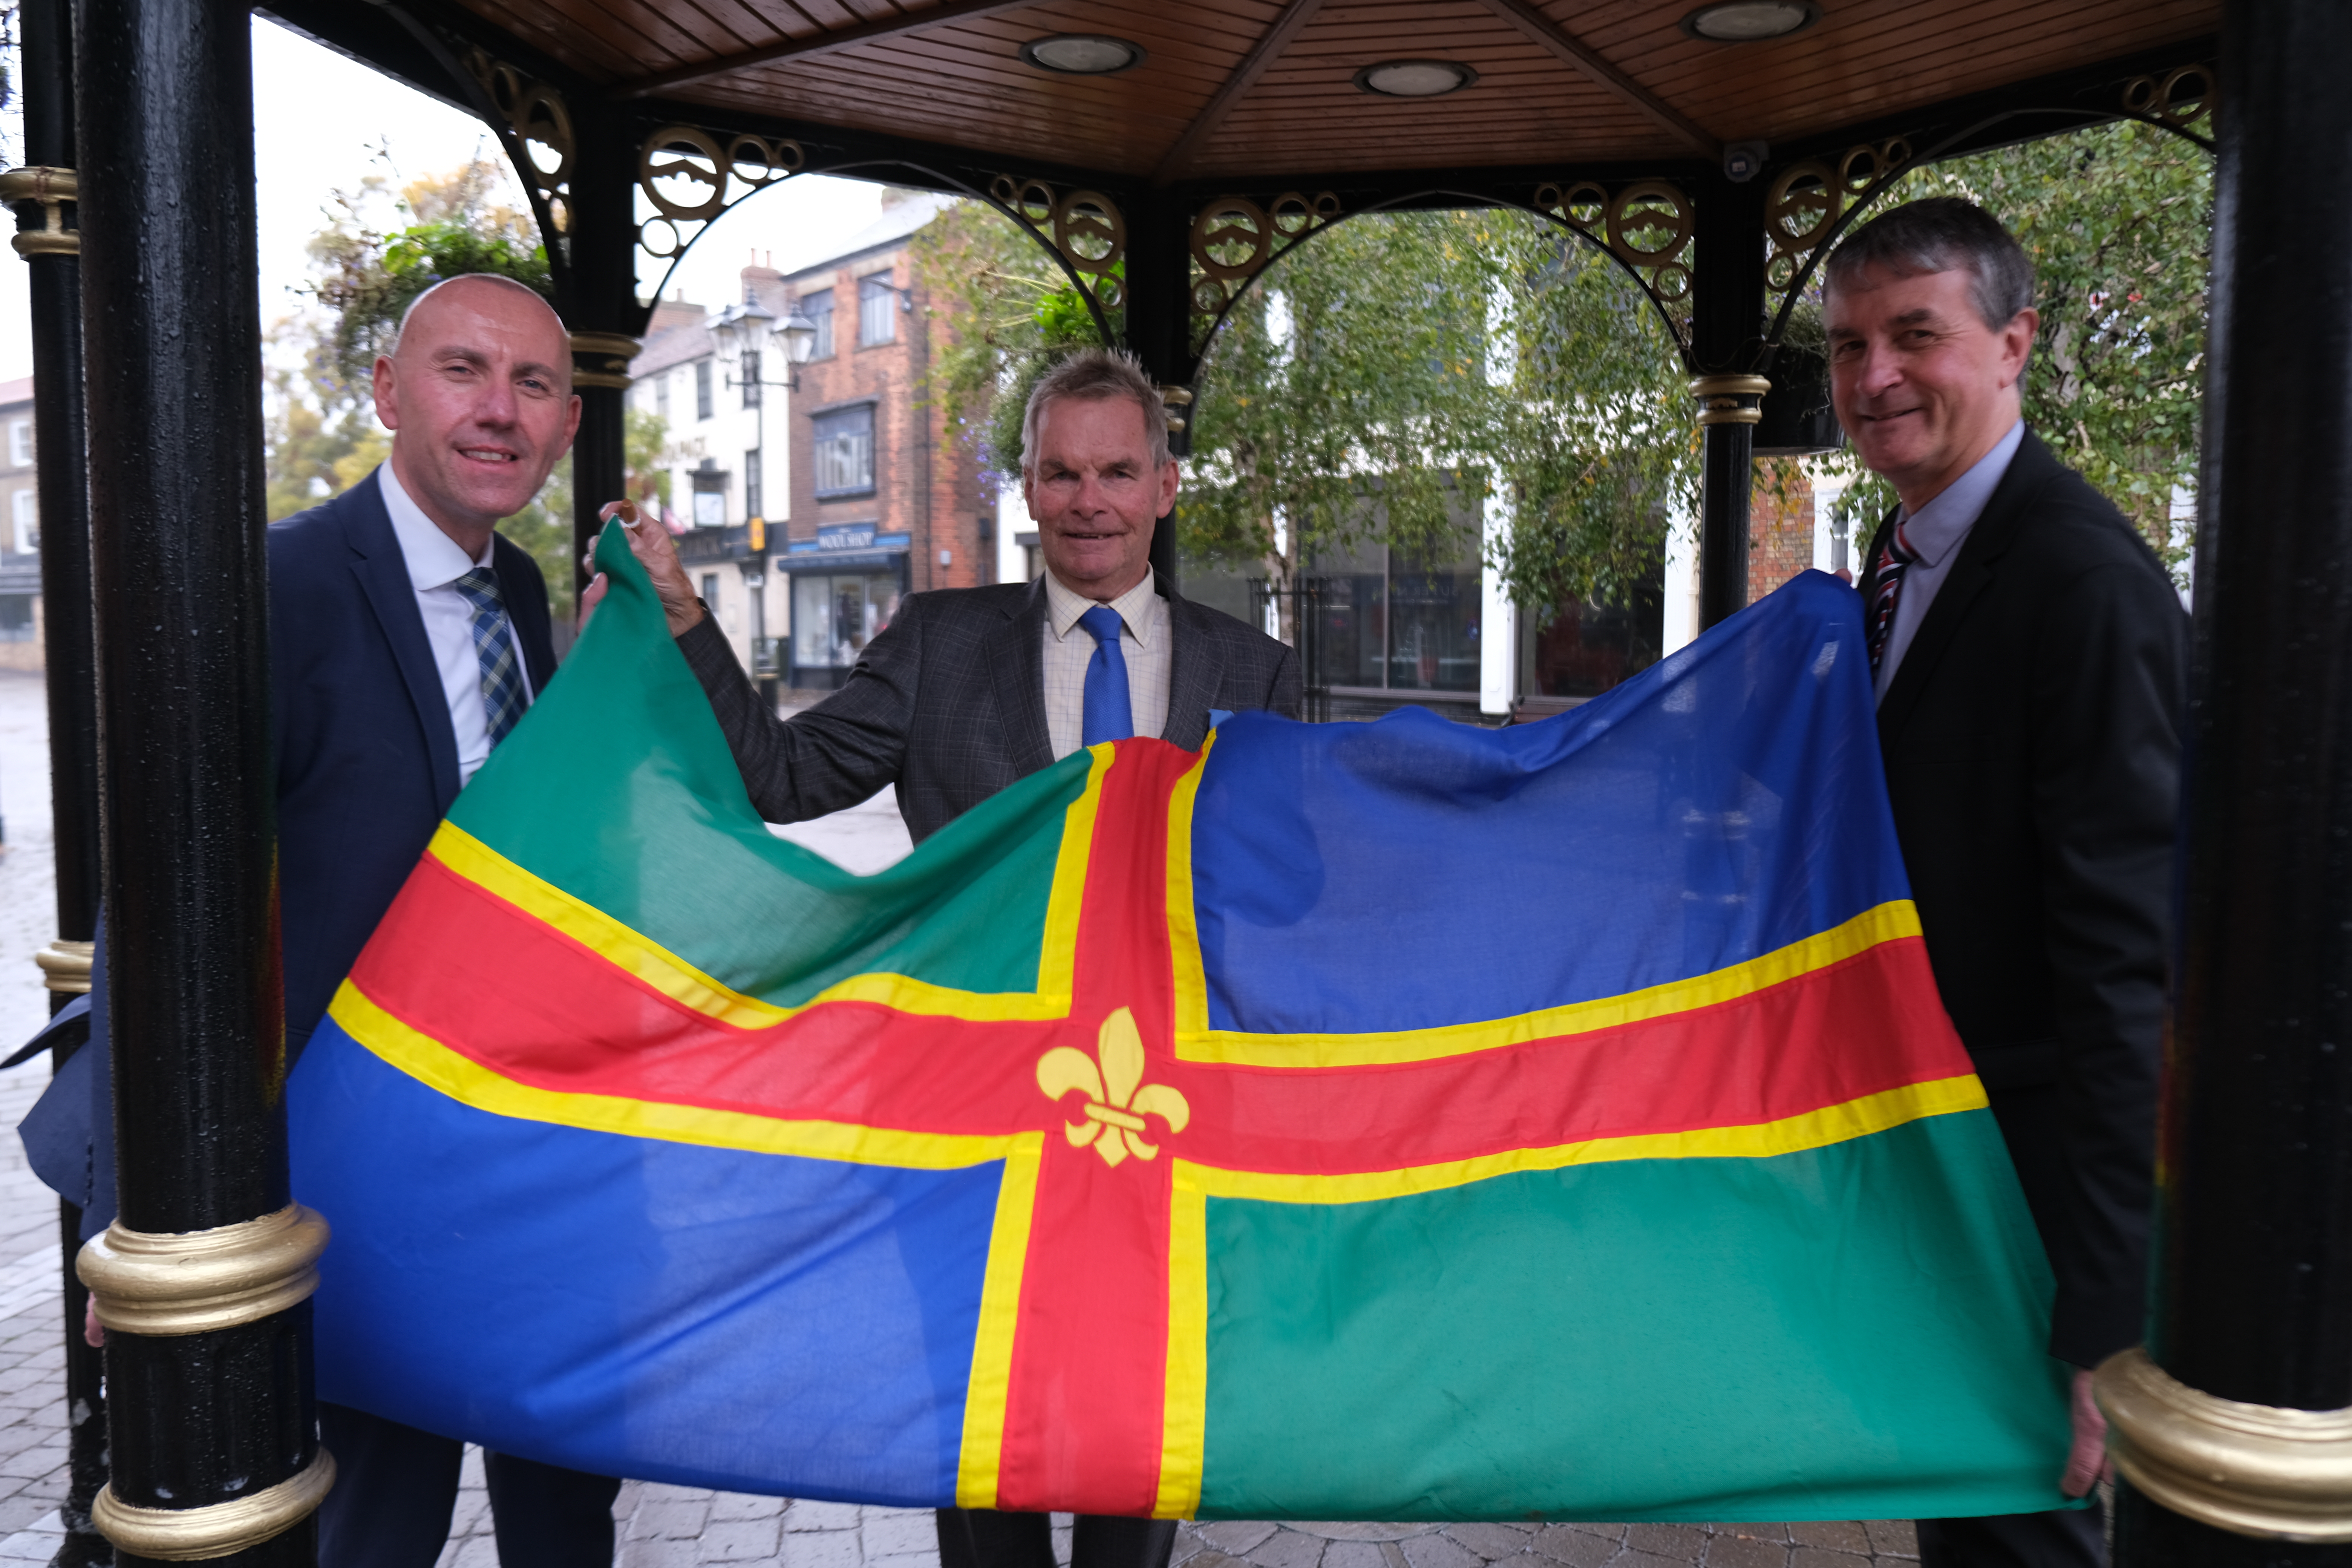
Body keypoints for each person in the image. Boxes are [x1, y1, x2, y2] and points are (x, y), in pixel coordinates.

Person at [588, 346, 1300, 1568]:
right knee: (982, 1427)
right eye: (1062, 472)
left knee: (1140, 1407)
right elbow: (785, 777)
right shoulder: (941, 639)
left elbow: (1297, 890)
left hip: (1163, 1111)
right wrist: (688, 617)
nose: (1090, 500)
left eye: (1118, 471)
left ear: (1166, 486)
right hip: (968, 1106)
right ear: (1027, 487)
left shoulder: (1255, 671)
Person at [21, 273, 623, 1568]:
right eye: (465, 372)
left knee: (566, 1506)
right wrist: (134, 1219)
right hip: (339, 1171)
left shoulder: (522, 593)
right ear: (387, 392)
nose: (500, 413)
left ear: (570, 424)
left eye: (531, 386)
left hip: (517, 1152)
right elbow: (172, 907)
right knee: (373, 1521)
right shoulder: (277, 586)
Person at [1823, 198, 2187, 1567]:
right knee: (1970, 1515)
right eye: (1851, 345)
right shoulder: (1905, 554)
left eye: (1917, 335)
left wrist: (2101, 1303)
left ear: (2015, 343)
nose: (1875, 379)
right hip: (1936, 1144)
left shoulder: (2080, 580)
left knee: (2027, 1530)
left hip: (2031, 1182)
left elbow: (2121, 960)